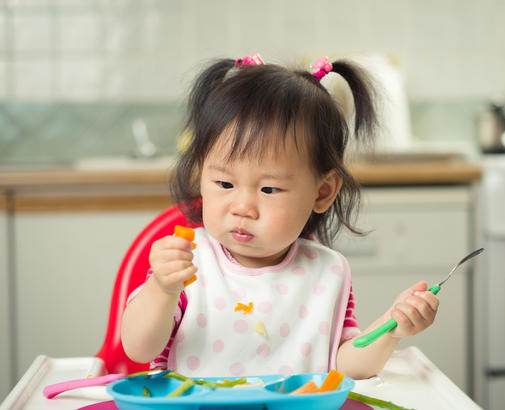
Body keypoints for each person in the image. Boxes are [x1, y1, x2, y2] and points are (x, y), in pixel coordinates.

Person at [121, 53, 439, 380]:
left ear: (322, 192)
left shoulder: (326, 272)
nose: (242, 206)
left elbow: (345, 367)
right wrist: (162, 288)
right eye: (224, 183)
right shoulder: (188, 261)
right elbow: (138, 349)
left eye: (269, 190)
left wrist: (391, 328)